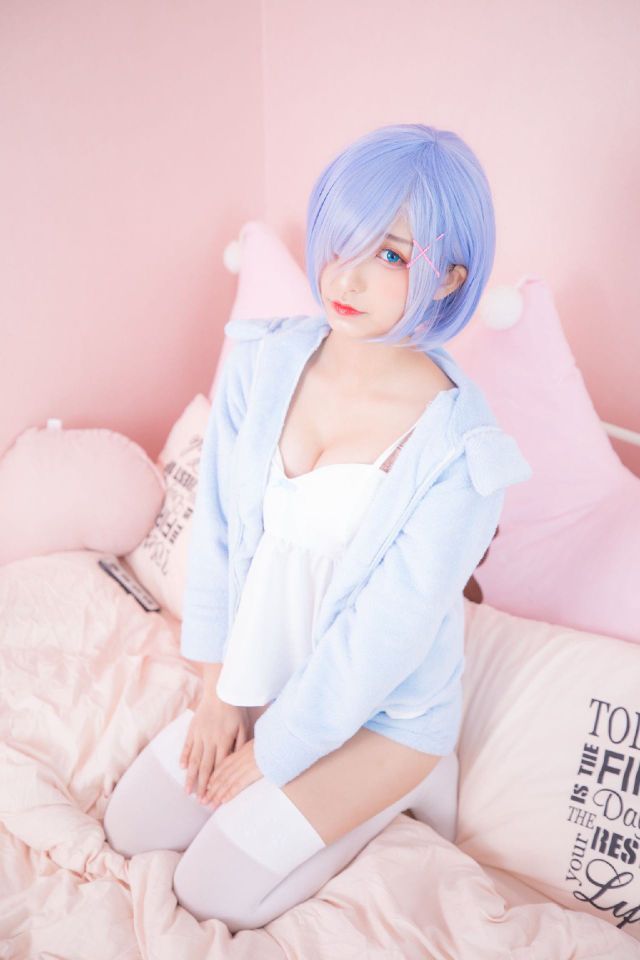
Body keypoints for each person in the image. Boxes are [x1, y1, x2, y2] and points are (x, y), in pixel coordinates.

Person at [103, 123, 533, 931]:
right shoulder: (263, 361)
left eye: (392, 255)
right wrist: (219, 695)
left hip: (381, 721)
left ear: (450, 278)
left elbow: (382, 638)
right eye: (344, 239)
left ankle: (410, 787)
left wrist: (275, 752)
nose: (348, 275)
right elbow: (217, 534)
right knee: (132, 829)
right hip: (265, 681)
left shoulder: (460, 454)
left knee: (211, 891)